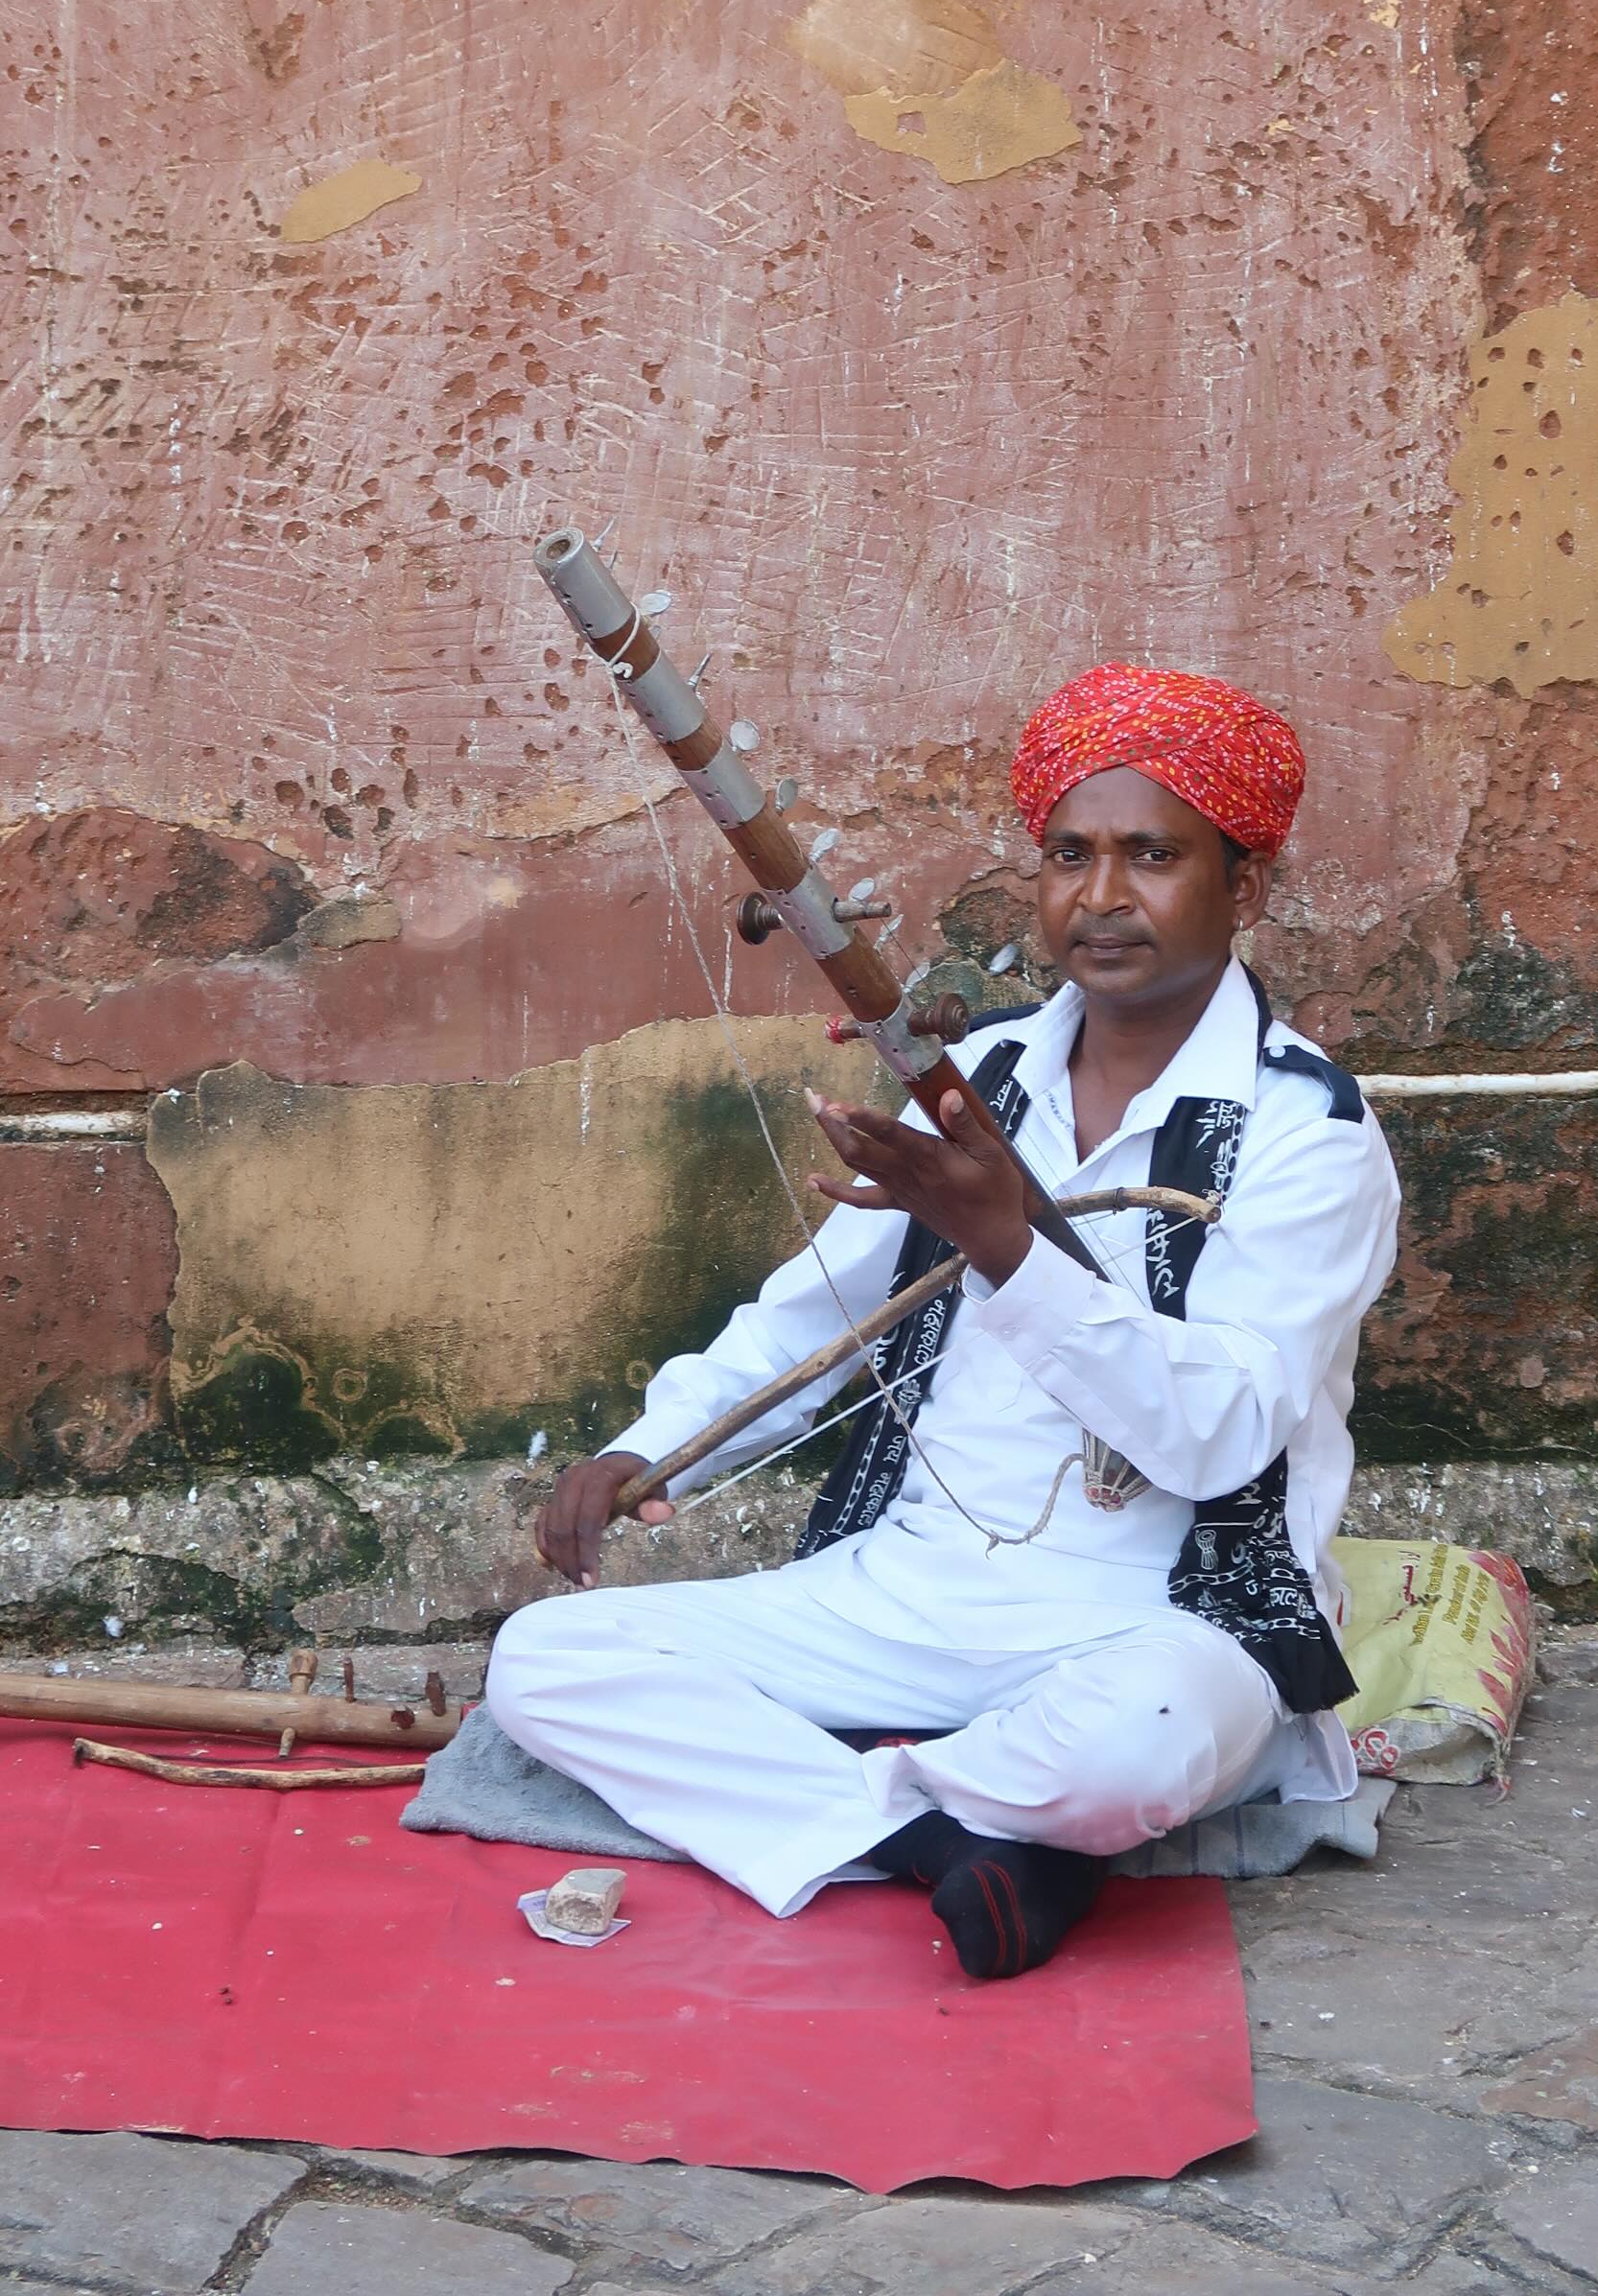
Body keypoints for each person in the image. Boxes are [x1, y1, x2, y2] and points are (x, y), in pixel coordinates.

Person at [485, 664, 1400, 1980]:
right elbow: (825, 1310)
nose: (1101, 897)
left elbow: (1222, 1440)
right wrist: (658, 1446)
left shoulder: (1308, 1134)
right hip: (909, 1589)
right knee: (548, 1663)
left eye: (1153, 856)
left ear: (1242, 887)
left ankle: (893, 1812)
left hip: (1154, 1616)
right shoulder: (983, 1082)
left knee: (1133, 1746)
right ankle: (963, 1845)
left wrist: (1008, 1248)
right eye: (1070, 856)